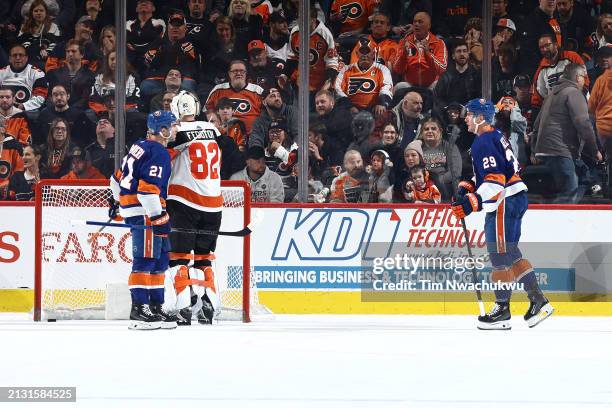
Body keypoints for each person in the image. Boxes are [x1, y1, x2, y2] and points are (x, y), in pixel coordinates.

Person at [451, 98, 553, 330]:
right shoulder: (495, 136)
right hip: (515, 197)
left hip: (504, 201)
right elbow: (491, 173)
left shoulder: (483, 142)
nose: (465, 118)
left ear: (479, 118)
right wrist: (469, 185)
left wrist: (470, 203)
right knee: (510, 253)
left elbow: (496, 183)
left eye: (469, 114)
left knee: (499, 255)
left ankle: (502, 308)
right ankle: (537, 300)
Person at [109, 110, 176, 330]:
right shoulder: (158, 151)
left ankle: (156, 307)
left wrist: (118, 204)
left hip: (139, 210)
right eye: (172, 126)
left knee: (160, 260)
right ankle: (139, 309)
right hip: (146, 211)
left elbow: (115, 180)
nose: (175, 129)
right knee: (146, 259)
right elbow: (147, 191)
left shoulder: (139, 146)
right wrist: (157, 216)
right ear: (163, 130)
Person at [165, 91, 223, 325]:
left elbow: (163, 156)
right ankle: (209, 303)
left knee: (178, 258)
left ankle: (184, 306)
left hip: (184, 202)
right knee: (203, 258)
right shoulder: (214, 129)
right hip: (214, 203)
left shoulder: (177, 132)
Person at [530, 63, 601, 203]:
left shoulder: (551, 95)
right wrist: (595, 151)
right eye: (583, 77)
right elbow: (584, 125)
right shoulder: (573, 93)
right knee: (569, 191)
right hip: (559, 151)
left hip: (544, 152)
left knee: (584, 176)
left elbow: (536, 126)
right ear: (577, 77)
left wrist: (534, 151)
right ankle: (561, 221)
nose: (584, 80)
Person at [0, 116, 24, 199]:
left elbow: (19, 171)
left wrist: (9, 187)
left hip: (8, 189)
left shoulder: (15, 146)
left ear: (4, 128)